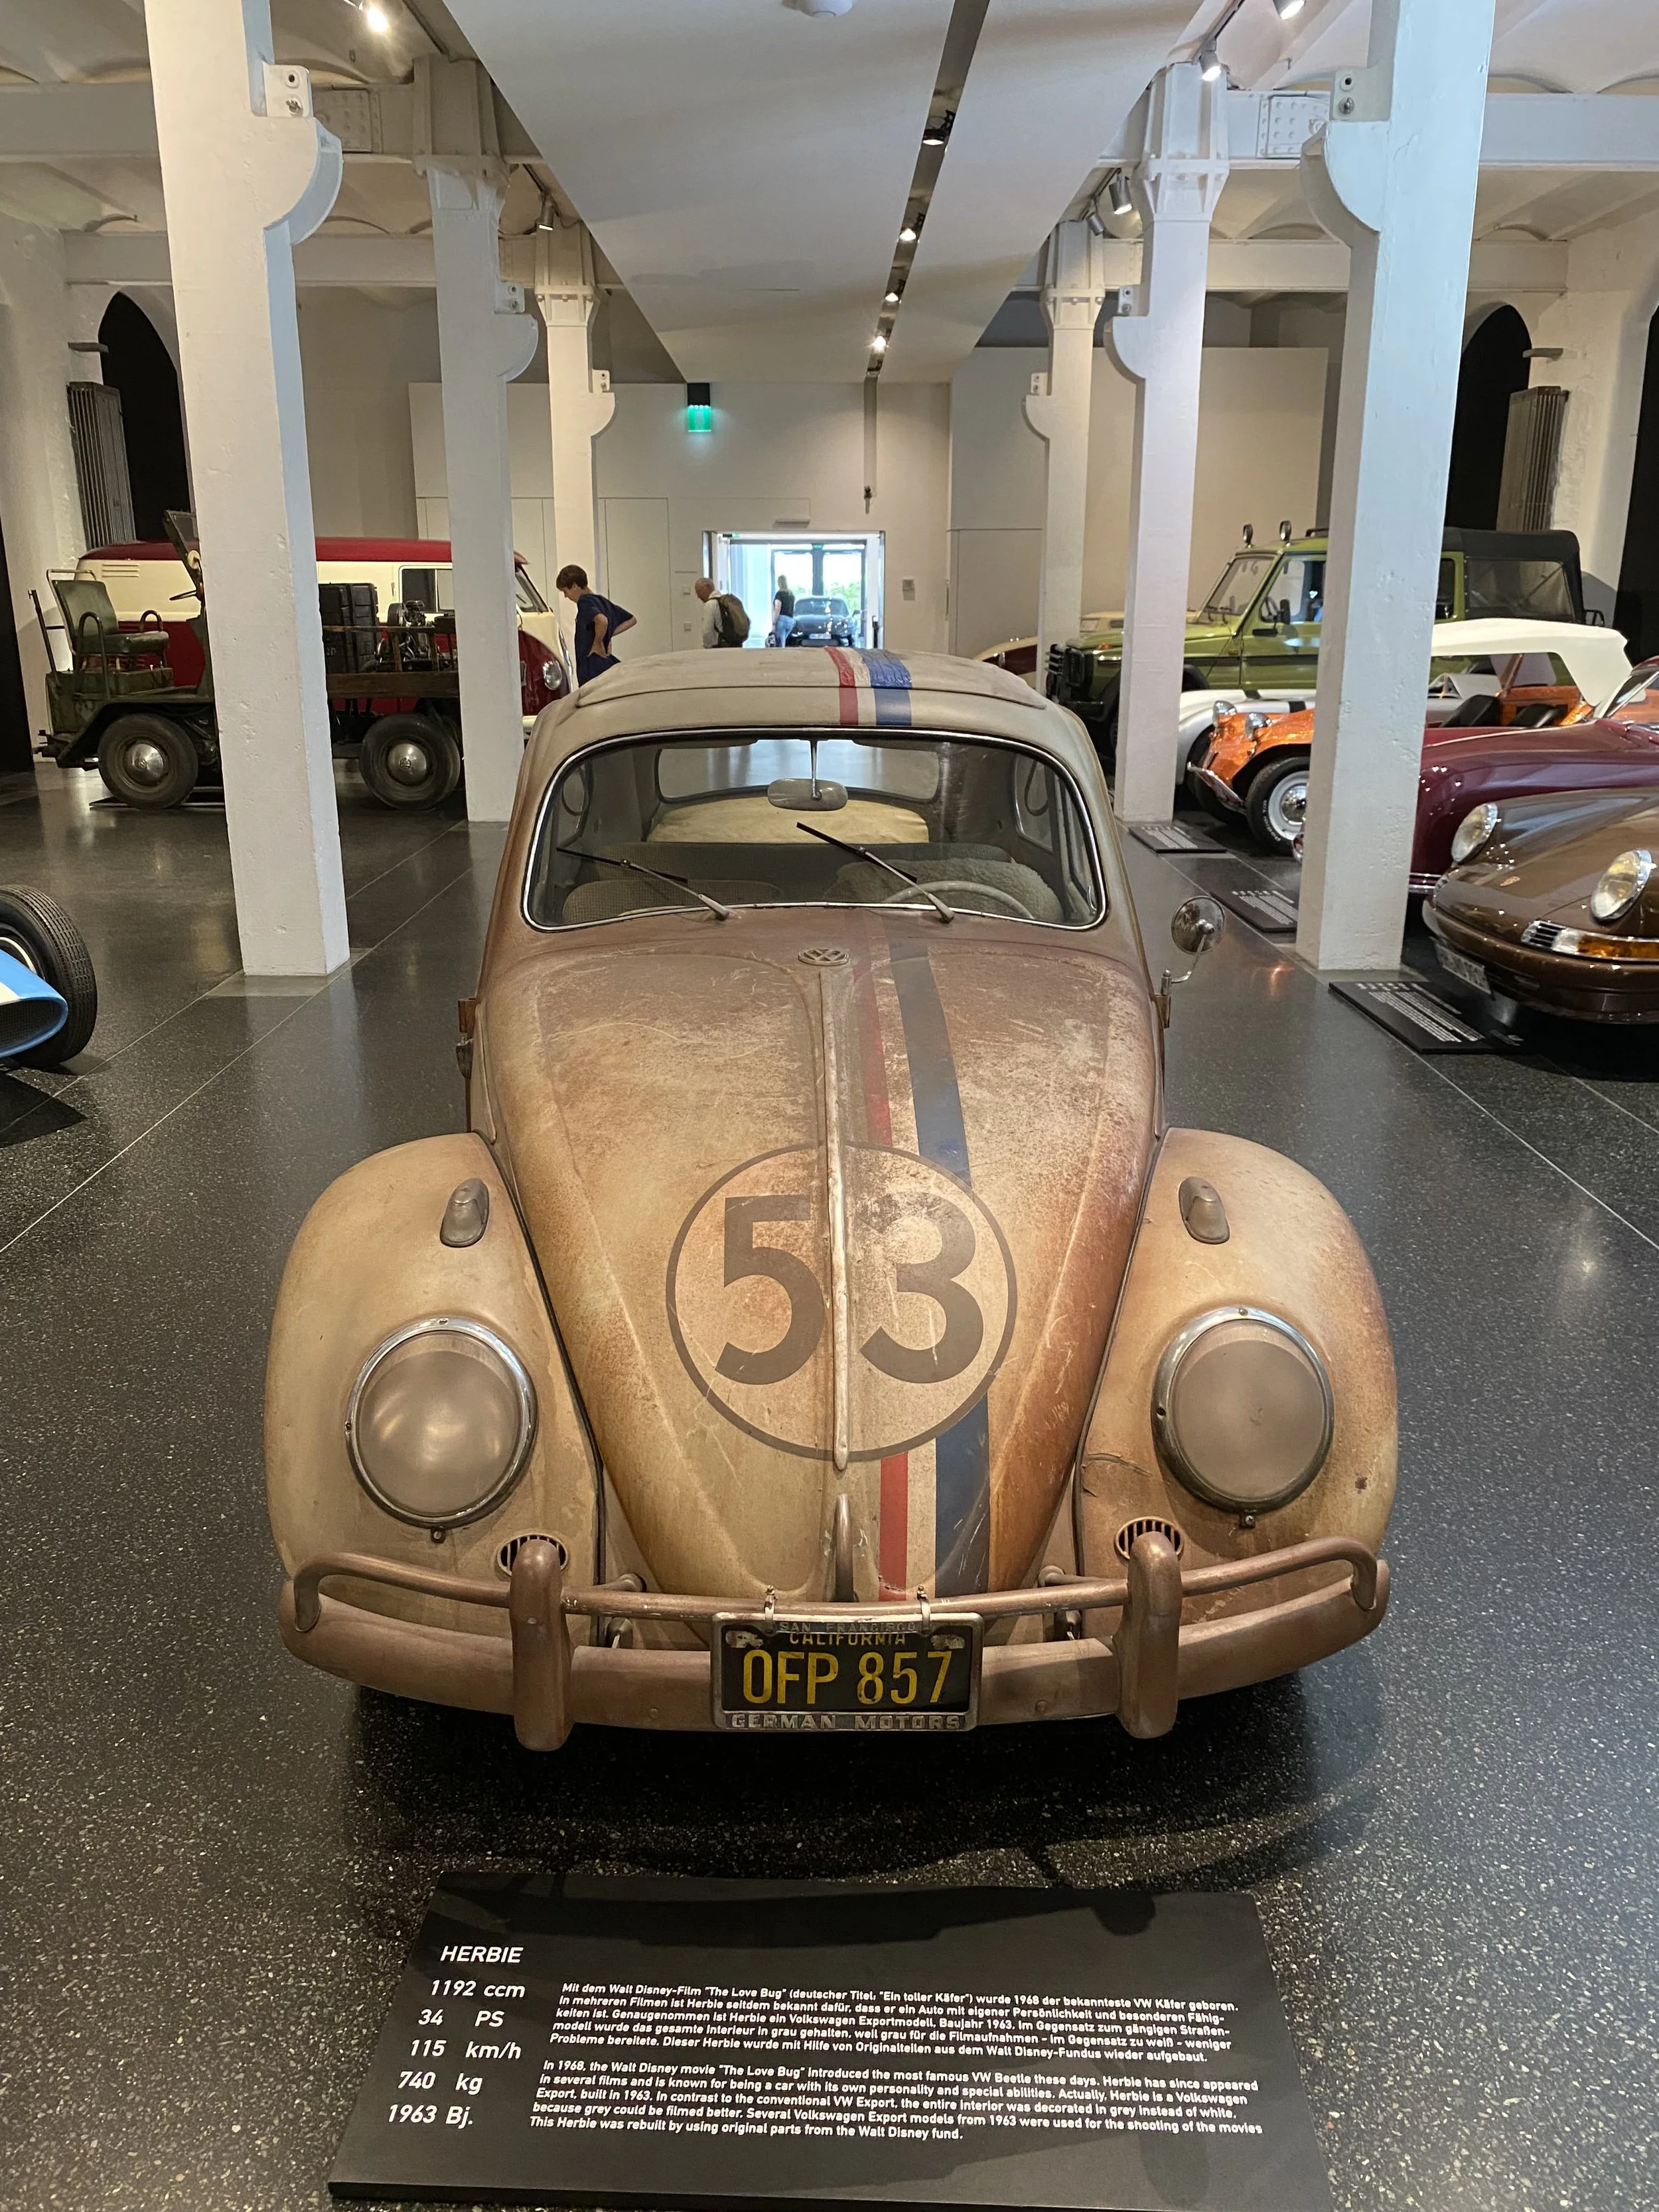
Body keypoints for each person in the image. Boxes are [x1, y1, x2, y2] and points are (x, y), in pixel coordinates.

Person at [556, 564, 634, 686]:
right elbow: (631, 620)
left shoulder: (584, 601)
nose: (566, 596)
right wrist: (606, 634)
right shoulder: (602, 601)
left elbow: (602, 620)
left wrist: (598, 642)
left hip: (592, 667)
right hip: (604, 664)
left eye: (566, 591)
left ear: (575, 586)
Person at [694, 576, 748, 649]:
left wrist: (707, 647)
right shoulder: (726, 602)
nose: (698, 596)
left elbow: (707, 631)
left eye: (699, 592)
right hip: (736, 644)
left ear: (707, 588)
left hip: (721, 646)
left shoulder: (710, 604)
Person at [772, 573, 795, 648]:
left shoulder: (779, 594)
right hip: (791, 621)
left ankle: (780, 659)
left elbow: (777, 608)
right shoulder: (791, 595)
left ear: (779, 583)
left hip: (782, 620)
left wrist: (774, 622)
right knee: (783, 642)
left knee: (780, 645)